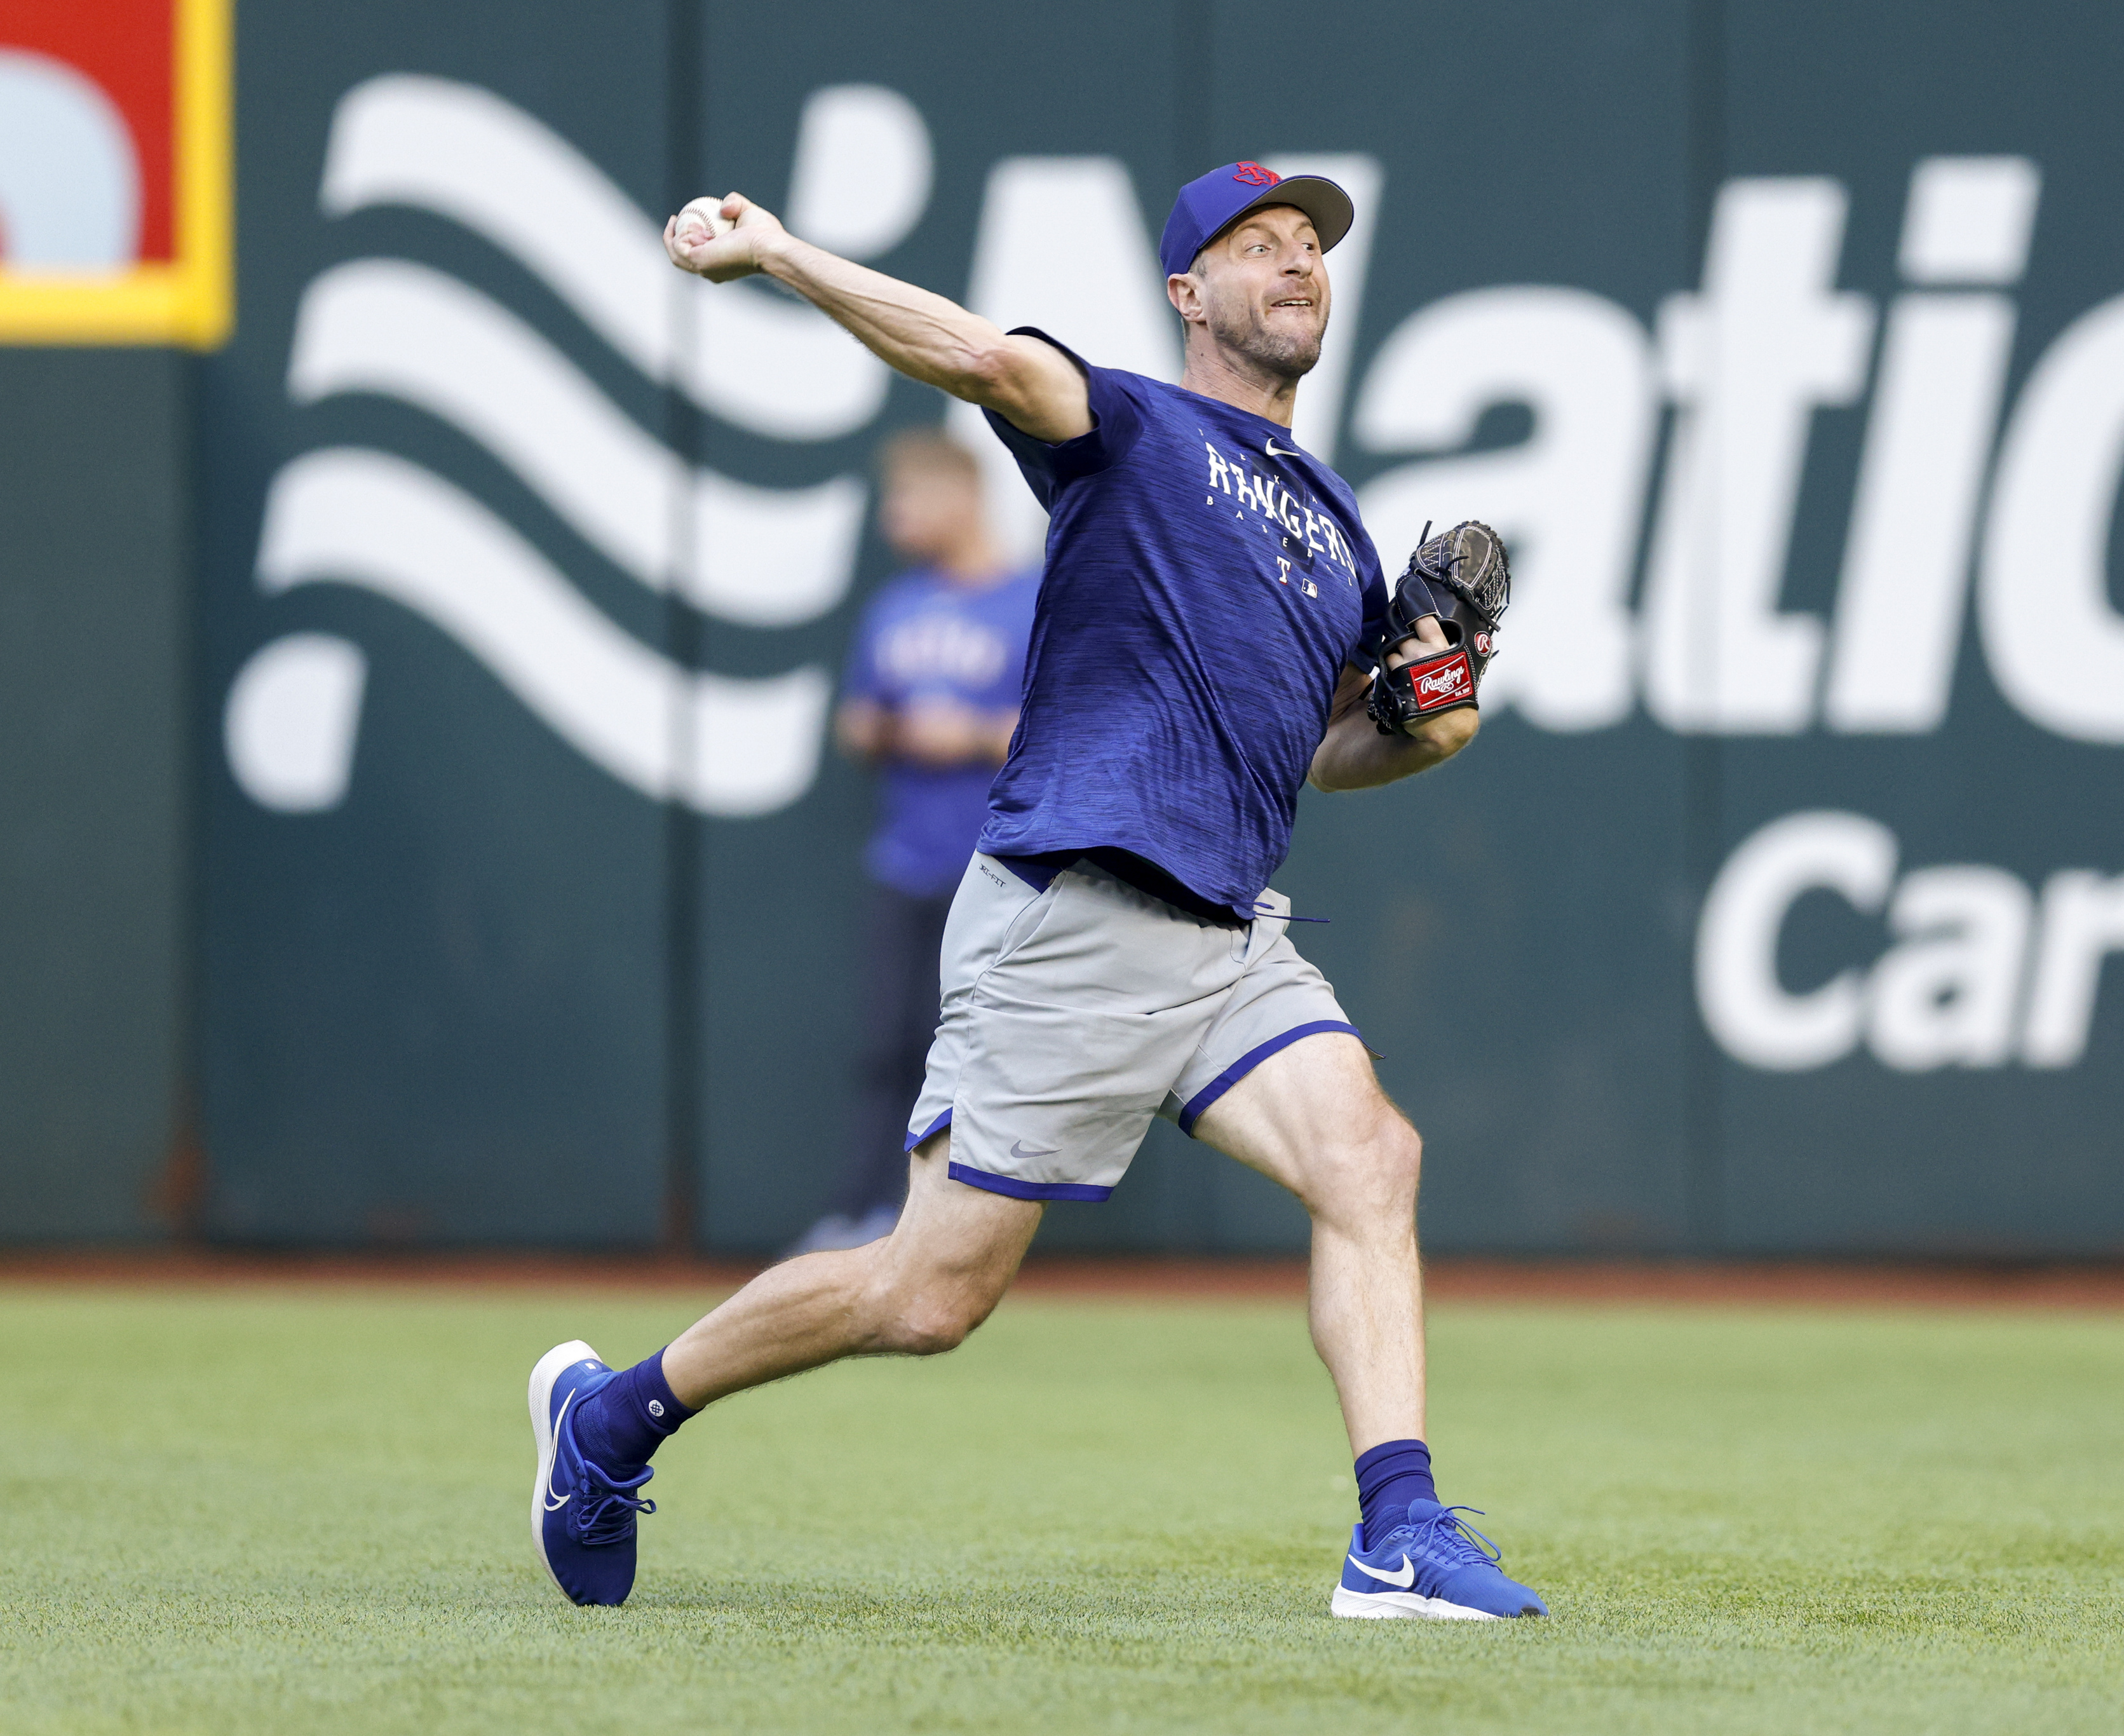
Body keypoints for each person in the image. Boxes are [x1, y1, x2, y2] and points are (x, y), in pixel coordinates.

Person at [527, 160, 1544, 1622]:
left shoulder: (1333, 528)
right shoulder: (1130, 426)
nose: (1297, 264)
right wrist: (783, 256)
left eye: (1309, 246)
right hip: (1080, 899)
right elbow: (989, 358)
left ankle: (1397, 1528)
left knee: (1371, 1160)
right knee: (926, 1295)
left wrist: (1430, 713)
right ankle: (611, 1421)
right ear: (1190, 293)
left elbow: (1330, 753)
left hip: (1224, 928)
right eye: (1257, 245)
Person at [789, 430, 1039, 1256]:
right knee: (888, 1045)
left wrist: (966, 734)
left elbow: (1066, 731)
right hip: (905, 862)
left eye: (910, 499)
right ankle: (865, 1214)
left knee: (982, 1054)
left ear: (961, 498)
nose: (895, 517)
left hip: (1000, 869)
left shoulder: (1033, 598)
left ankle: (960, 1226)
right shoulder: (895, 608)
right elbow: (858, 723)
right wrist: (896, 729)